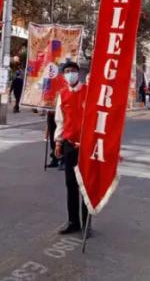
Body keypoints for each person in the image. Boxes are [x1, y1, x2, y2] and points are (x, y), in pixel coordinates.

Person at [54, 61, 89, 235]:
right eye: (66, 71)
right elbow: (60, 121)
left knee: (85, 185)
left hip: (86, 145)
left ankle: (86, 224)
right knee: (70, 184)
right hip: (68, 144)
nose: (70, 74)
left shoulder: (89, 91)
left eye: (72, 71)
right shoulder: (62, 94)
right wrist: (58, 142)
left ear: (78, 73)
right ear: (63, 75)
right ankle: (73, 221)